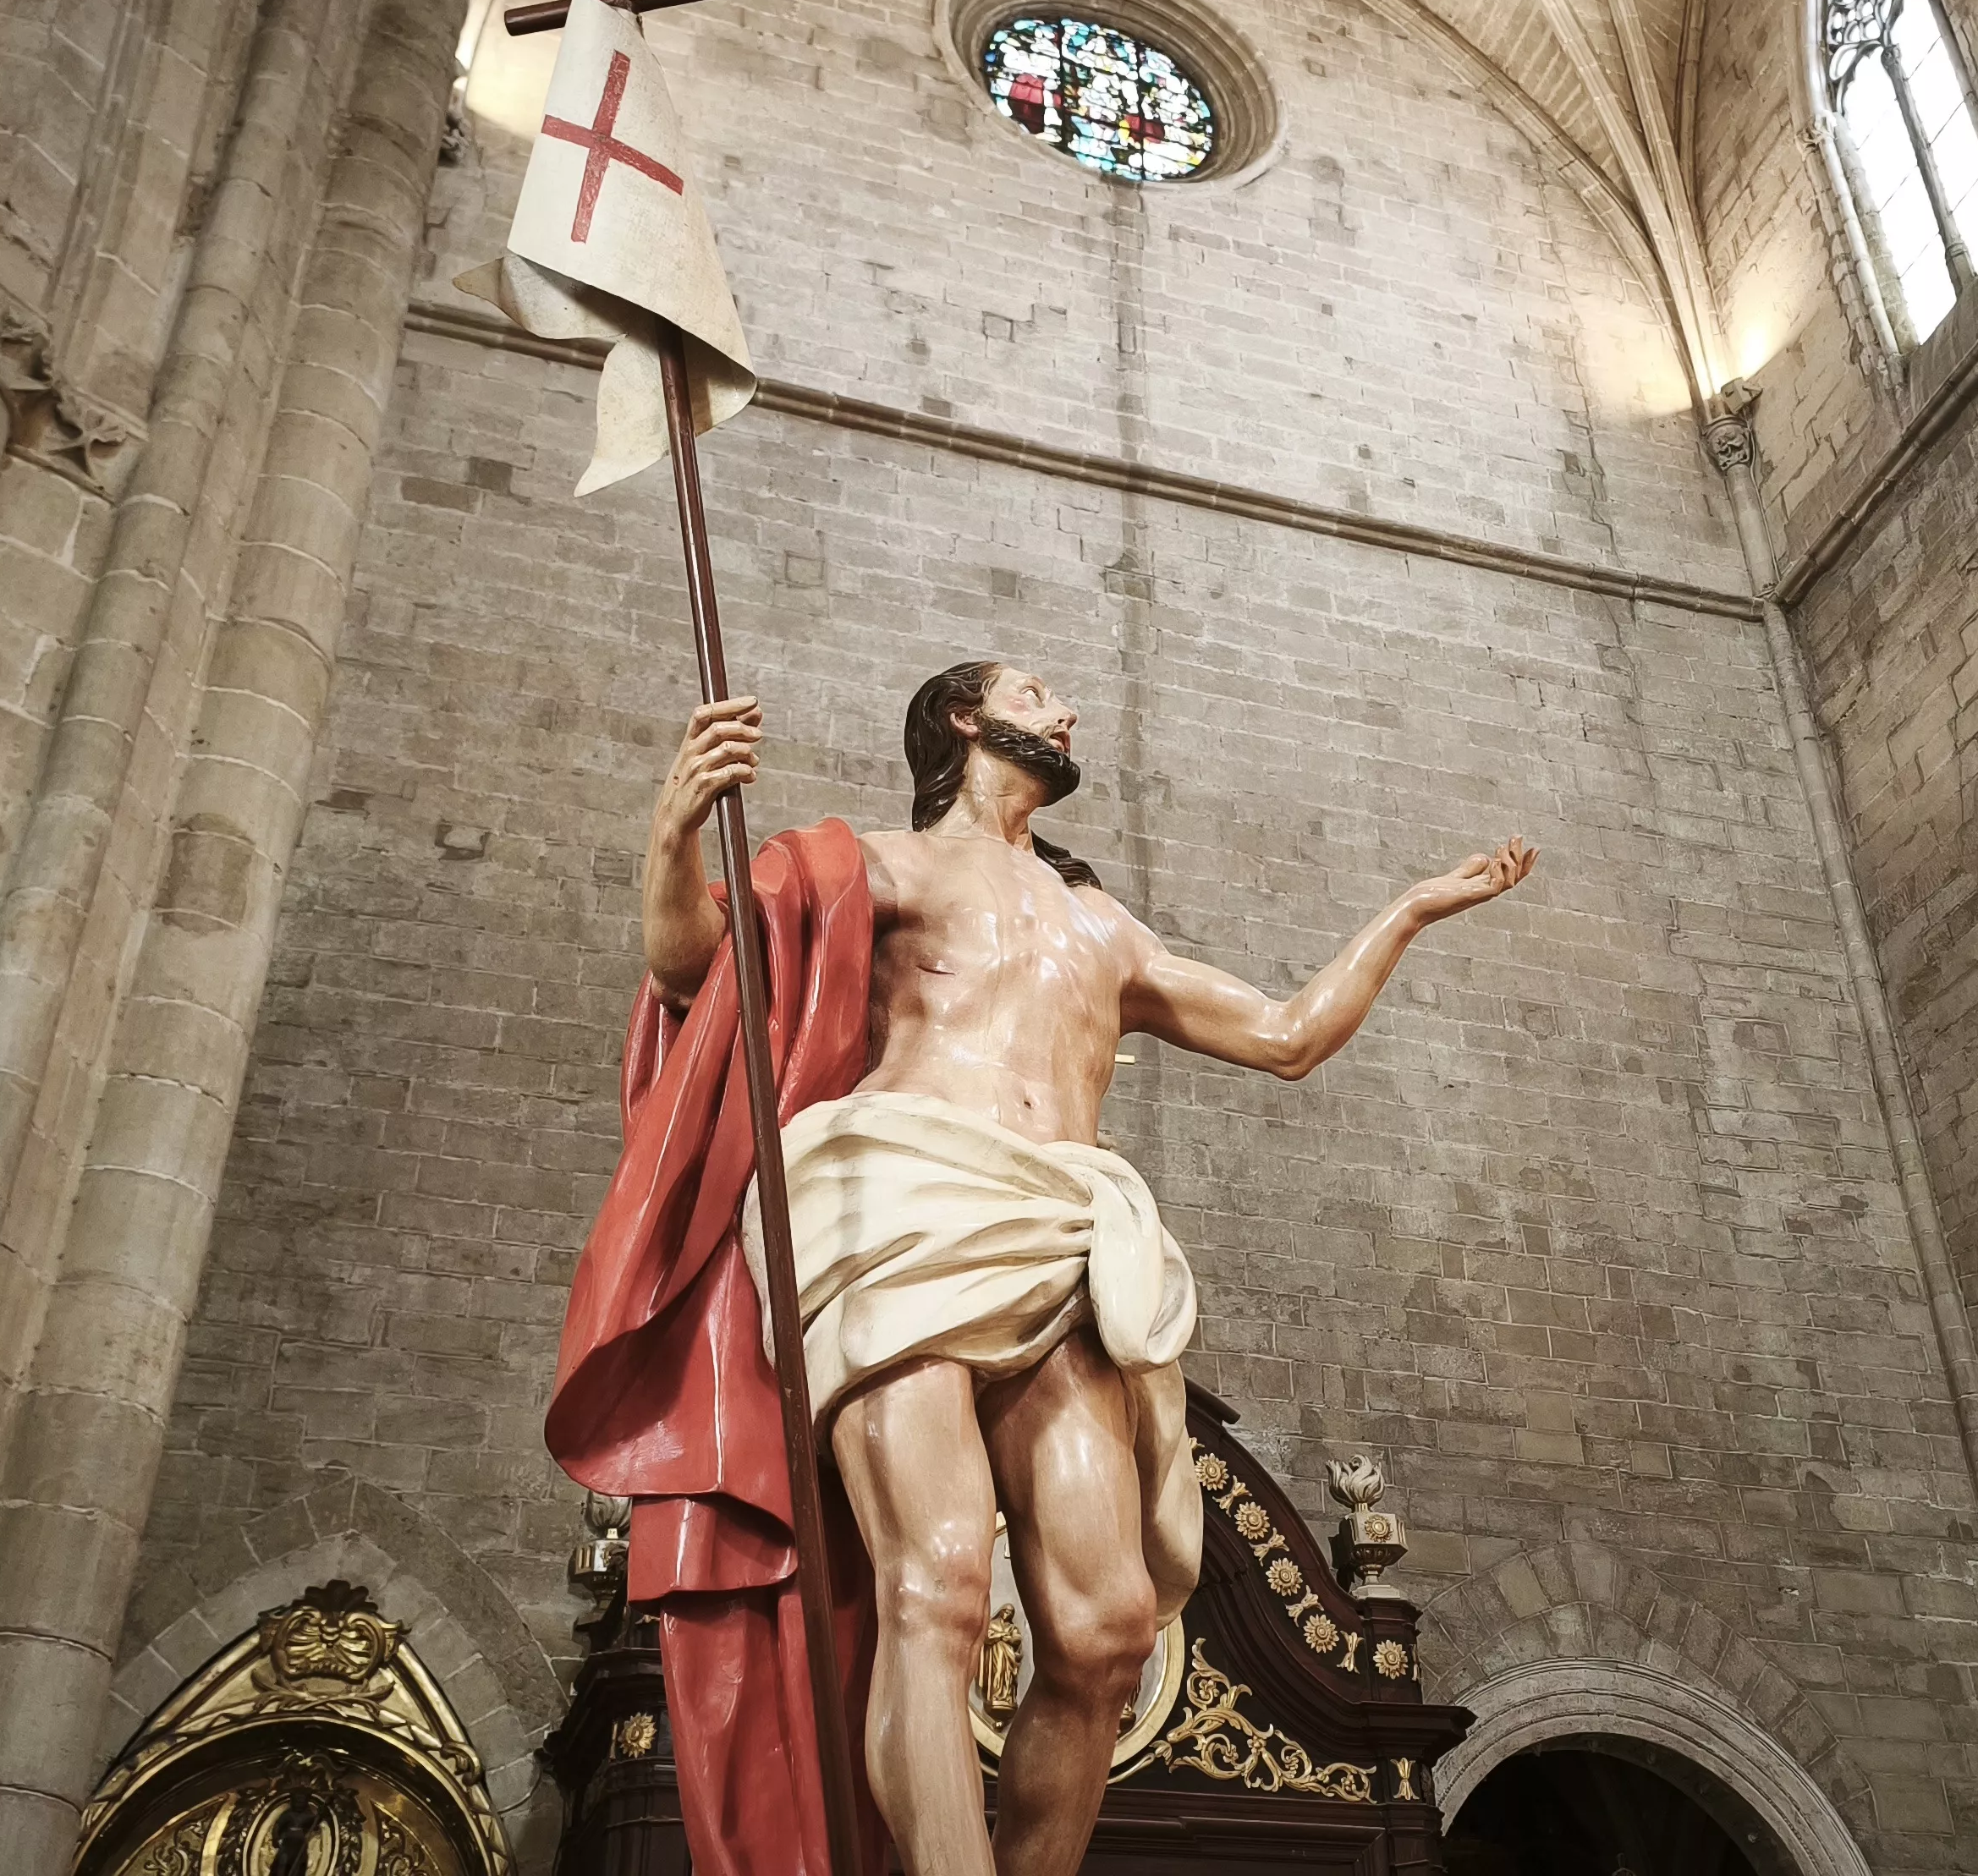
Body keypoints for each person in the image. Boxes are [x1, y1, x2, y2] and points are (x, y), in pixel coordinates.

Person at [569, 659, 1531, 1876]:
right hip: (897, 1220)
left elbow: (1286, 1037)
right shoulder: (880, 864)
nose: (1067, 710)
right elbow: (690, 972)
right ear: (965, 720)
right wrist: (674, 829)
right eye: (1037, 690)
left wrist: (1412, 909)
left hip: (1059, 1233)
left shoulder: (1101, 924)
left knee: (1107, 1622)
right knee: (943, 1582)